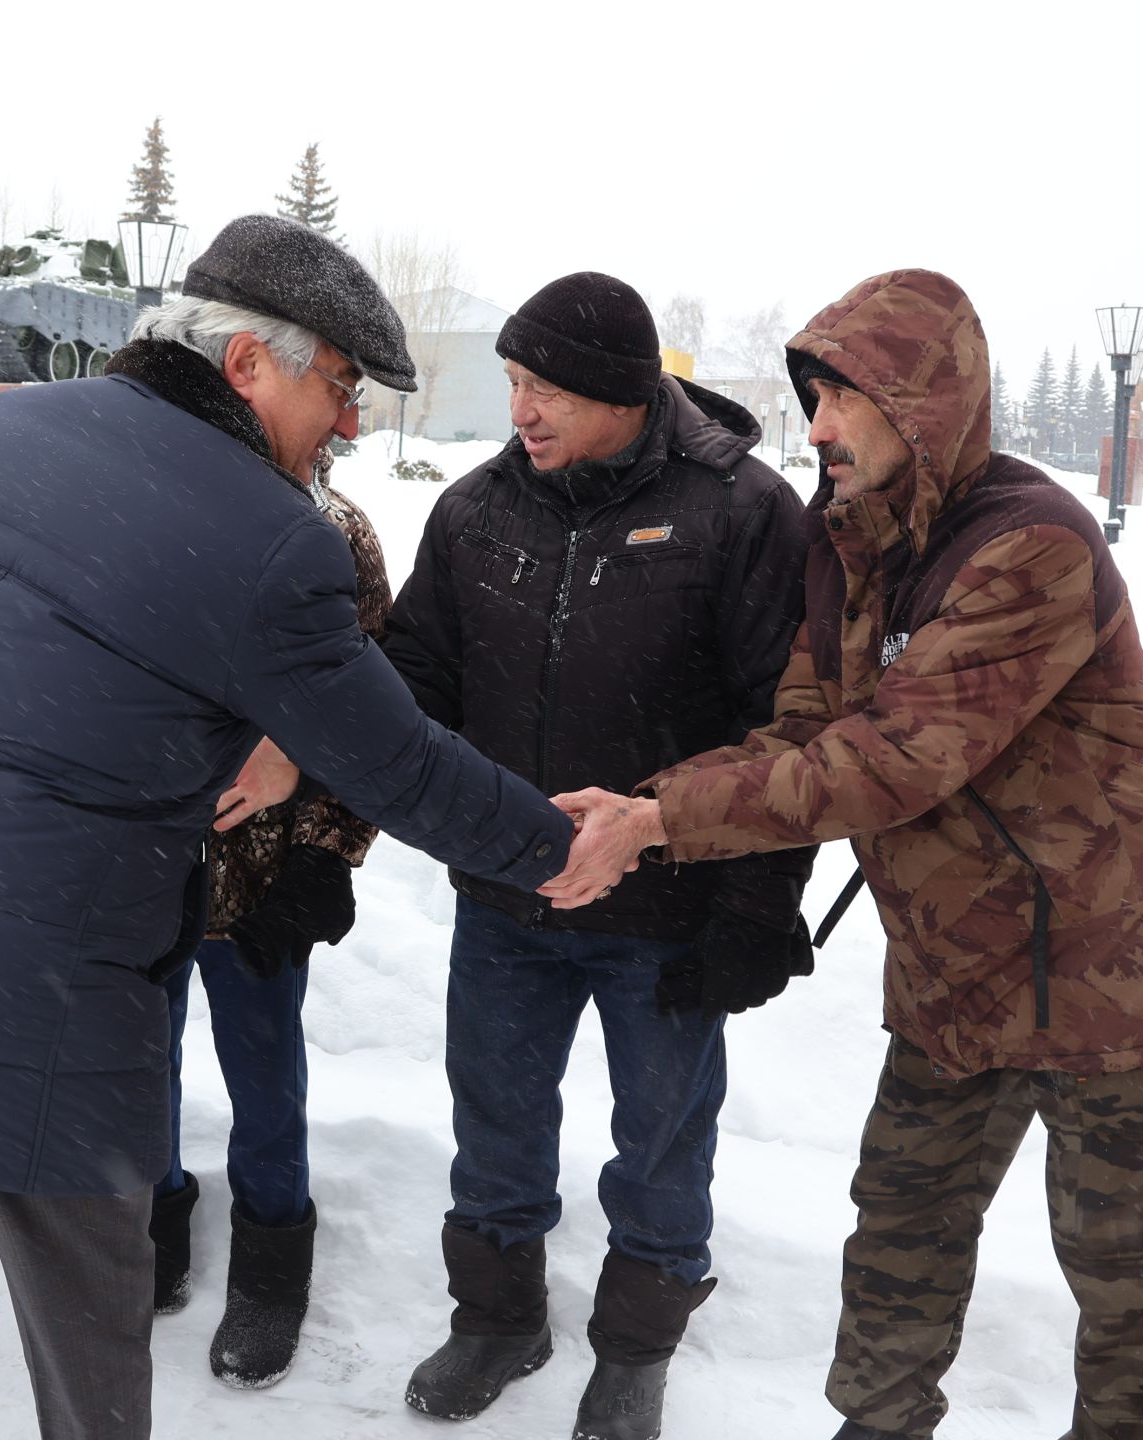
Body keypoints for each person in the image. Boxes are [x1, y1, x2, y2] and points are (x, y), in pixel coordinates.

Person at [0, 213, 577, 1440]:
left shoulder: (0, 432)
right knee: (89, 1346)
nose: (348, 423)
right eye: (338, 386)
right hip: (47, 1007)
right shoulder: (274, 542)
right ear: (243, 366)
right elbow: (400, 767)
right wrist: (566, 847)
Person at [545, 268, 1143, 1440]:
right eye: (812, 400)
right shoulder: (849, 550)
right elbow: (805, 734)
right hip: (954, 974)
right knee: (901, 1232)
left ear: (924, 407)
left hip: (1109, 985)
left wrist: (658, 825)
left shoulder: (1031, 546)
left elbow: (893, 760)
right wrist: (650, 804)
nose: (818, 430)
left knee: (1131, 1286)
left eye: (844, 401)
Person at [378, 272, 812, 1440]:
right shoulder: (475, 510)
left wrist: (757, 905)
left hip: (669, 906)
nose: (524, 409)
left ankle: (635, 1346)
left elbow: (790, 721)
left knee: (663, 1137)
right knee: (496, 1116)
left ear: (628, 394)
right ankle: (499, 1319)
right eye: (516, 382)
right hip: (508, 894)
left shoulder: (740, 510)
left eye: (551, 390)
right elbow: (416, 677)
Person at [150, 442, 390, 1389]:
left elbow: (377, 705)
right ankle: (153, 1222)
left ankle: (270, 1260)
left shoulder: (336, 534)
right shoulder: (140, 515)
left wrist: (325, 853)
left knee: (264, 1076)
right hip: (141, 868)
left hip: (261, 880)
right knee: (136, 1067)